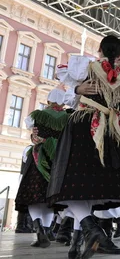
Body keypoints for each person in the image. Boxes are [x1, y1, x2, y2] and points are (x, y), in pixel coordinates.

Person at [62, 40, 120, 256]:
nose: (119, 56)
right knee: (83, 184)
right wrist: (77, 89)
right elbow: (69, 98)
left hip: (116, 136)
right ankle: (87, 235)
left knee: (98, 185)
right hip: (91, 129)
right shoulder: (89, 69)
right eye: (116, 52)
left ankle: (95, 231)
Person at [47, 35, 120, 259]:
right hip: (110, 131)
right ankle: (76, 243)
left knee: (70, 184)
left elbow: (67, 97)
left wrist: (76, 90)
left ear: (100, 49)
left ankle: (91, 229)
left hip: (84, 125)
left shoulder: (85, 66)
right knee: (87, 188)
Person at [15, 88, 71, 248]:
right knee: (49, 199)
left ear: (48, 101)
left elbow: (33, 132)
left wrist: (34, 136)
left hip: (39, 156)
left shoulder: (37, 115)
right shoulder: (68, 118)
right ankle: (46, 231)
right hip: (59, 159)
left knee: (32, 195)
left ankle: (39, 228)